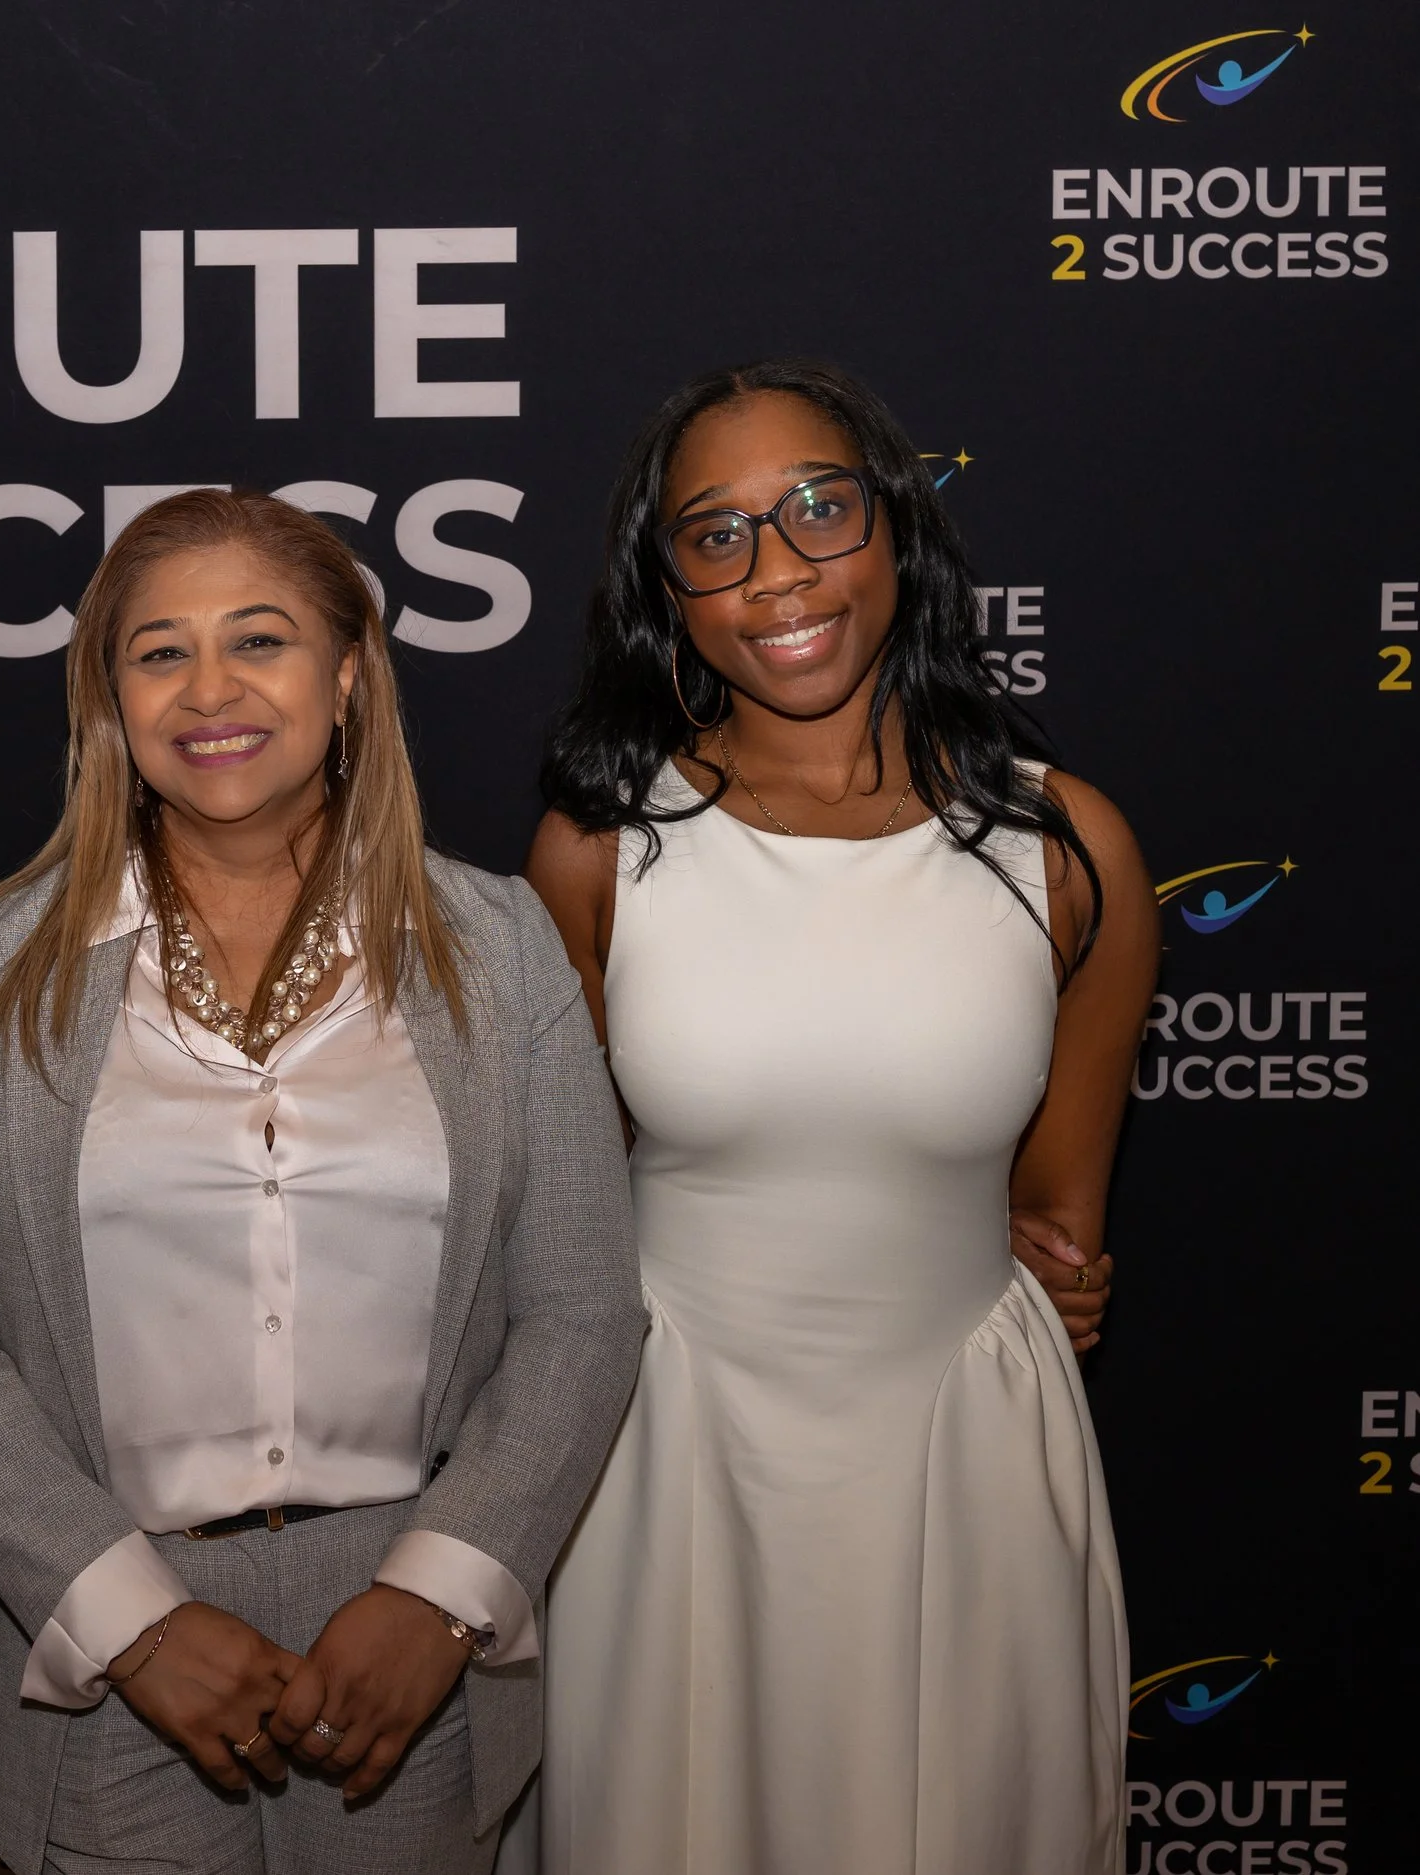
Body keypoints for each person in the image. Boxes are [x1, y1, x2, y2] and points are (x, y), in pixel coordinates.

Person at [0, 490, 644, 1875]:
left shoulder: (503, 944)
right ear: (110, 701)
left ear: (346, 676)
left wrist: (440, 1594)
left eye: (259, 640)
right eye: (160, 651)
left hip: (404, 1638)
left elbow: (580, 1311)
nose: (209, 689)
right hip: (102, 1642)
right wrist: (136, 1621)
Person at [518, 359, 1156, 1873]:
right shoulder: (597, 853)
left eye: (820, 507)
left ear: (896, 531)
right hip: (664, 1464)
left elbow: (1058, 1233)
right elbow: (560, 1219)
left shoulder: (1066, 847)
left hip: (965, 1465)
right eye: (716, 534)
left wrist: (1054, 1272)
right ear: (666, 590)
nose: (779, 570)